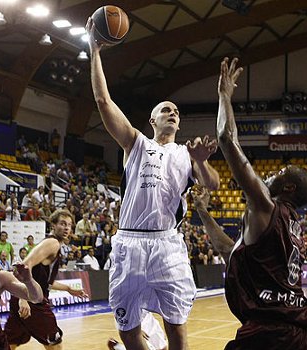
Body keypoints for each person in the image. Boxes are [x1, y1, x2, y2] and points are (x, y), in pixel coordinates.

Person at [88, 18, 220, 350]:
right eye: (166, 109)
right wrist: (94, 50)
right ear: (153, 120)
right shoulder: (135, 143)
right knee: (128, 328)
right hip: (129, 242)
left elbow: (214, 184)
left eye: (176, 110)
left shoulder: (186, 154)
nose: (173, 112)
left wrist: (202, 161)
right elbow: (104, 102)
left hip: (167, 245)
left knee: (177, 327)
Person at [191, 57, 307, 349]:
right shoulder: (289, 224)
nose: (270, 175)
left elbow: (226, 139)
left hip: (272, 333)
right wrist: (202, 212)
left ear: (287, 187)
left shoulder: (266, 205)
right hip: (301, 332)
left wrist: (224, 97)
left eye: (278, 173)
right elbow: (228, 249)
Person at [5, 209, 88, 349]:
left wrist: (69, 289)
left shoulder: (55, 246)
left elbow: (45, 282)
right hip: (32, 301)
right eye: (62, 223)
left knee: (9, 343)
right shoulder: (52, 243)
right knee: (55, 344)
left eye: (69, 225)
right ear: (53, 225)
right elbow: (23, 267)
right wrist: (23, 298)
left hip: (23, 298)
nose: (67, 227)